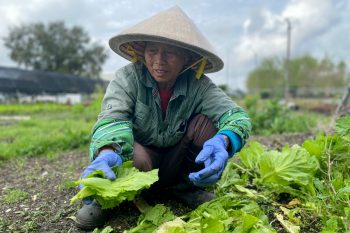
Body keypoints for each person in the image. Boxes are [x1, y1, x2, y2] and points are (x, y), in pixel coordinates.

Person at [75, 6, 251, 230]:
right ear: (143, 51)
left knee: (206, 125)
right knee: (125, 153)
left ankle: (186, 188)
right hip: (141, 160)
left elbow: (236, 116)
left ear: (186, 57)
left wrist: (225, 140)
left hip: (176, 161)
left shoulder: (198, 85)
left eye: (169, 53)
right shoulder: (128, 78)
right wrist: (108, 152)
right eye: (152, 51)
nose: (159, 60)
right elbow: (112, 118)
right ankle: (104, 197)